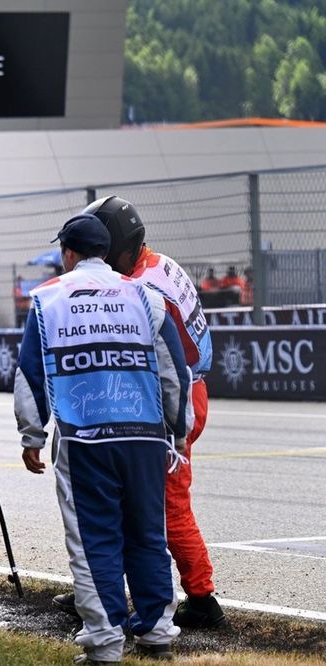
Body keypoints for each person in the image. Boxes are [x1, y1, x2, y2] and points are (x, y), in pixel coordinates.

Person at [15, 213, 190, 664]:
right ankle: (156, 634)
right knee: (149, 534)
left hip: (84, 440)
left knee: (95, 540)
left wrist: (31, 435)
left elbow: (31, 376)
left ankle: (106, 640)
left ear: (69, 254)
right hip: (145, 437)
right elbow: (174, 371)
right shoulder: (145, 296)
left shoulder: (48, 299)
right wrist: (178, 431)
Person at [74, 195, 226, 630]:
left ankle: (201, 597)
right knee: (129, 497)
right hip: (183, 391)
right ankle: (106, 588)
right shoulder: (159, 263)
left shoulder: (144, 286)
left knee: (166, 506)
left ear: (118, 243)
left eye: (103, 247)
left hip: (173, 400)